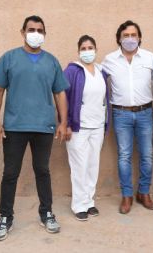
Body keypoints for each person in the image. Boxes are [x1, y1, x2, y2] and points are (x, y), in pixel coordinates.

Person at [0, 15, 69, 241]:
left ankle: (47, 213)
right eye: (31, 29)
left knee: (42, 171)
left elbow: (60, 92)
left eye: (40, 30)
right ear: (22, 32)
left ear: (45, 34)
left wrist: (63, 122)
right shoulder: (9, 58)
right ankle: (5, 217)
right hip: (14, 127)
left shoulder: (51, 61)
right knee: (10, 173)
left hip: (44, 126)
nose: (36, 33)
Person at [102, 20, 153, 214]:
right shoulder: (109, 60)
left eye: (133, 35)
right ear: (119, 38)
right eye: (125, 35)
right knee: (124, 156)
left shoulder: (150, 58)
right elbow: (98, 83)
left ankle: (144, 192)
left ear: (140, 37)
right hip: (121, 114)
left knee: (147, 155)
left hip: (145, 113)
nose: (130, 39)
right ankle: (126, 196)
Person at [64, 35, 110, 221]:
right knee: (79, 165)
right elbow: (63, 98)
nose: (87, 51)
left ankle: (90, 201)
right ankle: (78, 204)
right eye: (83, 48)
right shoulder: (72, 71)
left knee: (93, 164)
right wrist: (66, 123)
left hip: (97, 125)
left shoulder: (101, 71)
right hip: (78, 127)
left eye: (90, 47)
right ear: (78, 51)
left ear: (96, 50)